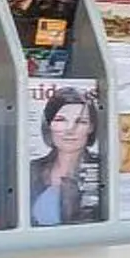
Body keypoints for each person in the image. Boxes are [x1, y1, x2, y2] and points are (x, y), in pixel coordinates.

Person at [28, 86, 99, 226]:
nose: (70, 130)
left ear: (91, 127)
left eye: (80, 121)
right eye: (61, 120)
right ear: (48, 124)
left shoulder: (103, 169)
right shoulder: (31, 169)